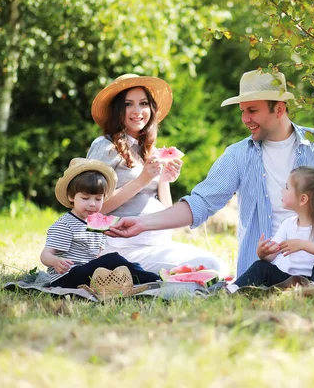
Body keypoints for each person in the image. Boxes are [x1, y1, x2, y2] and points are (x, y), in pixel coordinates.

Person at [107, 69, 314, 277]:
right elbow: (199, 204)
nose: (244, 119)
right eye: (242, 111)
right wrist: (141, 224)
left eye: (252, 110)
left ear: (279, 109)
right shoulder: (238, 155)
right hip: (265, 268)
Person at [86, 74, 228, 274]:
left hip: (157, 243)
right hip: (120, 247)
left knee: (217, 265)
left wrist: (163, 181)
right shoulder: (105, 146)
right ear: (118, 110)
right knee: (211, 269)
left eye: (143, 103)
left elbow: (165, 211)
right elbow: (92, 208)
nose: (137, 111)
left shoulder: (148, 151)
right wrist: (142, 180)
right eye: (128, 104)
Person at [40, 158, 160, 288]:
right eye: (85, 198)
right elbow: (45, 255)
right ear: (71, 197)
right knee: (112, 259)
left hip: (88, 275)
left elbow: (95, 258)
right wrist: (55, 261)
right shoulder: (65, 224)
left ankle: (139, 278)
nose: (92, 204)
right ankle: (153, 280)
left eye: (98, 199)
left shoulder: (98, 225)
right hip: (66, 277)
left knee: (129, 265)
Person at [227, 166, 314, 292]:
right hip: (290, 280)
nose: (282, 191)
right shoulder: (288, 224)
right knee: (261, 266)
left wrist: (302, 244)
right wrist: (263, 253)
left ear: (302, 199)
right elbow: (272, 255)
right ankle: (233, 289)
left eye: (287, 187)